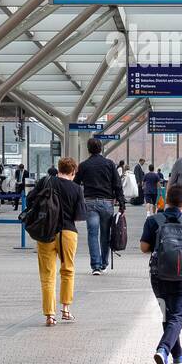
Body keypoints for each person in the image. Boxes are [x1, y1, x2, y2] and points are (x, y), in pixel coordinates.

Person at [139, 183, 182, 364]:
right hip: (181, 275)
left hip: (158, 276)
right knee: (178, 315)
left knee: (167, 313)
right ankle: (163, 350)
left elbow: (144, 247)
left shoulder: (153, 221)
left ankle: (178, 355)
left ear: (166, 200)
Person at [35, 156, 87, 327]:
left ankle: (50, 315)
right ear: (73, 172)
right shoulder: (76, 189)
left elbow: (30, 200)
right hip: (67, 232)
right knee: (67, 270)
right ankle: (65, 309)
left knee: (47, 274)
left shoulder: (46, 182)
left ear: (58, 169)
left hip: (46, 232)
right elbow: (79, 216)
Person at [73, 137, 125, 275]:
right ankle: (103, 263)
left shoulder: (84, 165)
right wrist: (122, 204)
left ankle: (95, 266)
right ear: (101, 148)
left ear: (88, 149)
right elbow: (117, 184)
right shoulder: (109, 164)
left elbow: (75, 184)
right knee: (105, 234)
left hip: (89, 203)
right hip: (107, 203)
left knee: (92, 234)